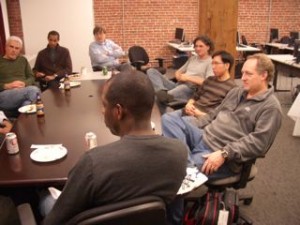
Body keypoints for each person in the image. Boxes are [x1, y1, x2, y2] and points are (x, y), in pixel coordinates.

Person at [42, 71, 188, 225]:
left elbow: (54, 221)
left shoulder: (93, 162)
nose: (102, 110)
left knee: (45, 200)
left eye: (104, 105)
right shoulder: (179, 153)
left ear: (118, 111)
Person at [162, 53, 283, 224]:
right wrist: (190, 126)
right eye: (243, 72)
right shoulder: (237, 92)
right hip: (204, 136)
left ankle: (174, 220)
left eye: (249, 74)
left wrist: (225, 153)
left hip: (220, 154)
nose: (243, 77)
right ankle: (188, 167)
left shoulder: (271, 107)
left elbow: (259, 144)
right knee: (169, 119)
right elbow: (212, 116)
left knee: (172, 173)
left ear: (263, 76)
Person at [147, 35, 214, 110]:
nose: (197, 49)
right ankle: (161, 91)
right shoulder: (193, 58)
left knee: (159, 98)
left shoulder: (211, 62)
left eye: (201, 46)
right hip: (178, 84)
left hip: (190, 88)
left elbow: (208, 82)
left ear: (208, 47)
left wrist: (188, 78)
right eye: (196, 46)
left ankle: (166, 116)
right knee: (151, 71)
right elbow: (178, 71)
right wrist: (178, 76)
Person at [179, 50, 237, 118]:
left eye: (216, 63)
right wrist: (189, 104)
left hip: (202, 119)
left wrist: (199, 114)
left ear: (227, 65)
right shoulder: (209, 79)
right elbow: (195, 96)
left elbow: (224, 115)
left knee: (169, 121)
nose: (213, 67)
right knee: (166, 118)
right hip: (190, 110)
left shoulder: (233, 88)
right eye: (212, 63)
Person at [0, 36, 40, 114]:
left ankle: (23, 122)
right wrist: (7, 86)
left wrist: (24, 83)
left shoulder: (22, 60)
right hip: (5, 95)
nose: (14, 50)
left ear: (19, 50)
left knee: (27, 104)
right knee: (34, 90)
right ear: (5, 47)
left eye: (17, 48)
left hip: (24, 91)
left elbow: (31, 76)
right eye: (11, 47)